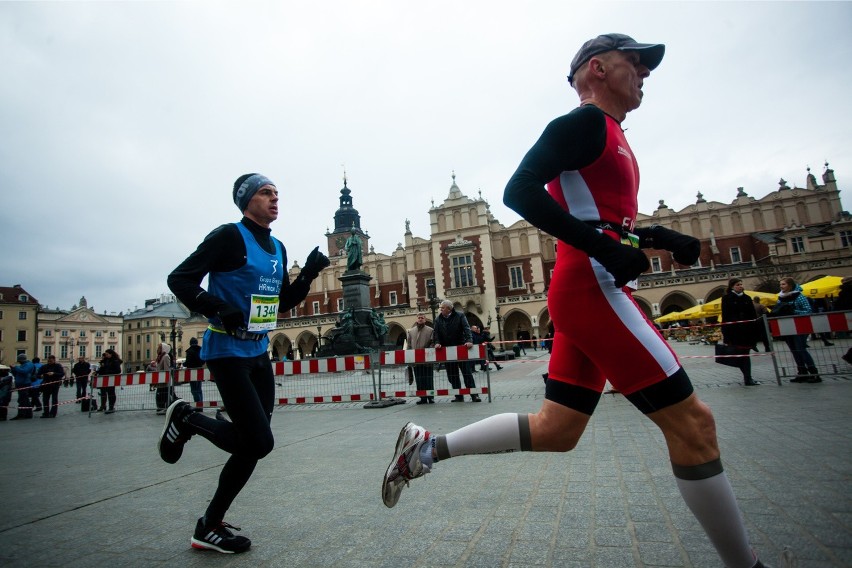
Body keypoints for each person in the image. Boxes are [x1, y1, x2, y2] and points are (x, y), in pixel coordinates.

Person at [382, 34, 771, 568]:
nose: (644, 72)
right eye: (633, 62)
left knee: (557, 429)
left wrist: (656, 236)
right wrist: (603, 250)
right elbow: (519, 192)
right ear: (597, 68)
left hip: (589, 282)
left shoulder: (614, 135)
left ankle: (425, 448)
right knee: (694, 425)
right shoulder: (583, 123)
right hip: (592, 286)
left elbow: (604, 222)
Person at [164, 172, 329, 553]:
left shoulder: (277, 247)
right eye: (266, 192)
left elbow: (282, 302)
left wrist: (309, 273)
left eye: (276, 193)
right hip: (226, 351)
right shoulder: (228, 237)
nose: (275, 199)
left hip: (258, 353)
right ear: (246, 200)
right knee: (259, 441)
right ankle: (186, 418)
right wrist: (218, 308)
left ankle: (209, 525)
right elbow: (181, 279)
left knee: (252, 446)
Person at [773, 277, 820, 383]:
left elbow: (808, 311)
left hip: (799, 326)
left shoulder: (799, 296)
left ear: (790, 285)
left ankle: (814, 372)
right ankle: (802, 372)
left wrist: (794, 311)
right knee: (794, 350)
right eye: (780, 284)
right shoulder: (780, 297)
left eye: (783, 284)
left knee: (801, 349)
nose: (781, 286)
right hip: (787, 326)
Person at [432, 300, 480, 402]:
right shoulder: (438, 319)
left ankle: (474, 395)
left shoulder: (460, 315)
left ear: (449, 309)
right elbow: (436, 334)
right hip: (446, 349)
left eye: (443, 308)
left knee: (467, 373)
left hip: (460, 348)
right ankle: (458, 395)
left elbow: (466, 329)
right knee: (452, 375)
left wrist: (469, 340)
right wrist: (437, 342)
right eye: (441, 308)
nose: (441, 309)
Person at [720, 278, 760, 386]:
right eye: (738, 284)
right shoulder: (727, 299)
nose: (740, 286)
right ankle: (748, 378)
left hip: (747, 332)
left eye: (741, 284)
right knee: (741, 355)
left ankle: (748, 378)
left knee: (745, 355)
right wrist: (726, 334)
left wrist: (755, 333)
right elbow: (725, 316)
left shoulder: (747, 298)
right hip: (734, 332)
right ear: (732, 286)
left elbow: (753, 316)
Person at [406, 313, 435, 404]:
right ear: (416, 319)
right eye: (419, 318)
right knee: (419, 379)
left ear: (425, 320)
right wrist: (409, 357)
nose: (420, 319)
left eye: (422, 318)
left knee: (428, 378)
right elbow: (409, 345)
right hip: (416, 360)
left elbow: (432, 343)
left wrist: (428, 351)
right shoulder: (411, 331)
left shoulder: (430, 330)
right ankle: (422, 397)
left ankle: (430, 397)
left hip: (427, 359)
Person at [93, 349, 121, 413]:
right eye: (106, 354)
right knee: (103, 393)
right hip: (103, 379)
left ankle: (111, 407)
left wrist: (108, 372)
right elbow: (102, 369)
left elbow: (118, 371)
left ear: (111, 354)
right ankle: (103, 406)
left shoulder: (115, 361)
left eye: (107, 354)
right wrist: (97, 371)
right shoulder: (105, 360)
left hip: (111, 379)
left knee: (111, 393)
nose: (106, 355)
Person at [9, 353, 36, 420]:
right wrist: (13, 369)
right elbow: (17, 374)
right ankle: (28, 414)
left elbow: (25, 371)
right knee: (25, 399)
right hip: (20, 383)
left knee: (22, 399)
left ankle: (22, 414)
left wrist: (16, 367)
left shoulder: (29, 364)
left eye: (19, 361)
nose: (19, 362)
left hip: (25, 383)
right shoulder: (22, 365)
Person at [184, 337, 206, 411]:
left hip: (192, 372)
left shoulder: (189, 351)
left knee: (194, 390)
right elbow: (203, 360)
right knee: (199, 389)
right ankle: (200, 405)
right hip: (199, 371)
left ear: (190, 343)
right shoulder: (200, 350)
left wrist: (184, 364)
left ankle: (197, 405)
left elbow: (188, 362)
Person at [154, 343, 175, 415]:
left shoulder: (164, 356)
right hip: (161, 380)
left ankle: (163, 408)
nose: (158, 349)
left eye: (159, 347)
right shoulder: (162, 356)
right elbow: (165, 369)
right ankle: (161, 408)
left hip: (163, 380)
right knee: (162, 394)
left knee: (163, 394)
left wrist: (166, 379)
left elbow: (166, 369)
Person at [835, 277, 852, 365]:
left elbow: (838, 306)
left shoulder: (842, 293)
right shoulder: (847, 292)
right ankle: (850, 356)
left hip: (847, 318)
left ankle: (849, 356)